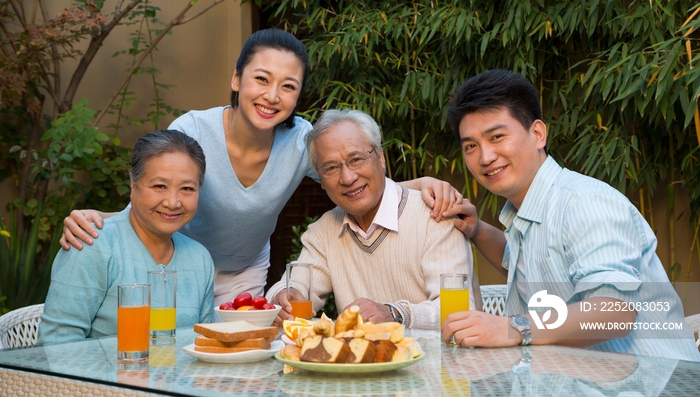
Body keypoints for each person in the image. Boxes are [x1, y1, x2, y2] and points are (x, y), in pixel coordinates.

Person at [59, 28, 462, 305]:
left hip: (242, 273)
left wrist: (424, 183)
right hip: (174, 263)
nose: (272, 96)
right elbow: (158, 197)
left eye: (288, 86)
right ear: (237, 79)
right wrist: (101, 220)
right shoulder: (192, 131)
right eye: (261, 79)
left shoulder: (301, 141)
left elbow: (352, 181)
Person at [440, 69, 700, 361]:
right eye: (471, 146)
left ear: (538, 134)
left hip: (652, 385)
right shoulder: (528, 210)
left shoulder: (585, 202)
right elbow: (529, 266)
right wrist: (478, 230)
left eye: (497, 136)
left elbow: (614, 311)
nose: (485, 157)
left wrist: (513, 328)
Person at [266, 109, 482, 329]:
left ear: (380, 157)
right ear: (320, 180)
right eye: (331, 168)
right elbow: (294, 286)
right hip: (362, 361)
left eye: (356, 159)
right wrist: (282, 298)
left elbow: (457, 312)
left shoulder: (435, 215)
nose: (348, 178)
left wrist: (394, 313)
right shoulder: (324, 231)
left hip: (440, 361)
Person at [39, 130, 214, 343]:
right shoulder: (93, 245)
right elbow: (56, 345)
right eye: (160, 186)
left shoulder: (200, 259)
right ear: (133, 185)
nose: (173, 202)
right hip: (98, 376)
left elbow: (205, 344)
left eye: (187, 188)